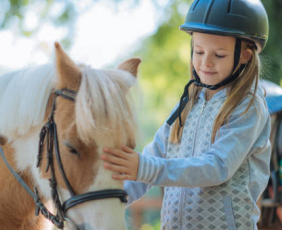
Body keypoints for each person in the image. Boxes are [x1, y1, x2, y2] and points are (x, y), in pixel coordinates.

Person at [101, 0, 271, 229]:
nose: (205, 62)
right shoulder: (187, 104)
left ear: (245, 56)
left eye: (219, 55)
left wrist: (144, 167)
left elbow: (217, 167)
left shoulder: (248, 107)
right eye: (199, 51)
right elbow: (155, 155)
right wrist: (108, 201)